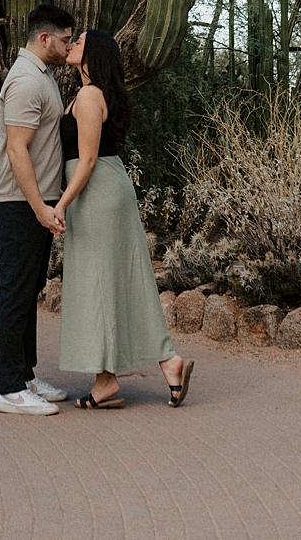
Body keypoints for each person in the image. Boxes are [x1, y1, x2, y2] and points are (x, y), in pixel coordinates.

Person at [53, 28, 192, 408]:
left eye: (79, 41)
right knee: (115, 282)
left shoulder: (87, 96)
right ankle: (161, 365)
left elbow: (88, 161)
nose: (71, 44)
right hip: (102, 192)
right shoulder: (90, 95)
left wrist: (61, 204)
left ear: (93, 54)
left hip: (96, 193)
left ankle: (110, 381)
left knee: (98, 283)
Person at [0, 2, 76, 416]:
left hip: (33, 202)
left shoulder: (42, 77)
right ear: (45, 39)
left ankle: (23, 375)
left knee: (27, 291)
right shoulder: (25, 80)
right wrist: (39, 205)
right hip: (20, 202)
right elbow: (16, 149)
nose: (69, 46)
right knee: (14, 292)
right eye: (65, 39)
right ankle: (8, 388)